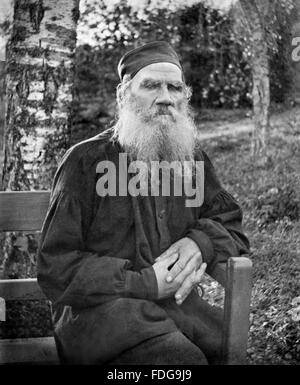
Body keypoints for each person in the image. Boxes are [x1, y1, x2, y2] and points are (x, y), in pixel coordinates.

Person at [37, 41, 250, 365]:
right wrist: (144, 283)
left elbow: (230, 223)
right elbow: (55, 266)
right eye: (151, 85)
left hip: (177, 311)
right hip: (104, 317)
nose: (165, 97)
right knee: (181, 361)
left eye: (174, 87)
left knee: (222, 351)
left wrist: (200, 243)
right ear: (124, 94)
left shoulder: (191, 160)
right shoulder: (85, 162)